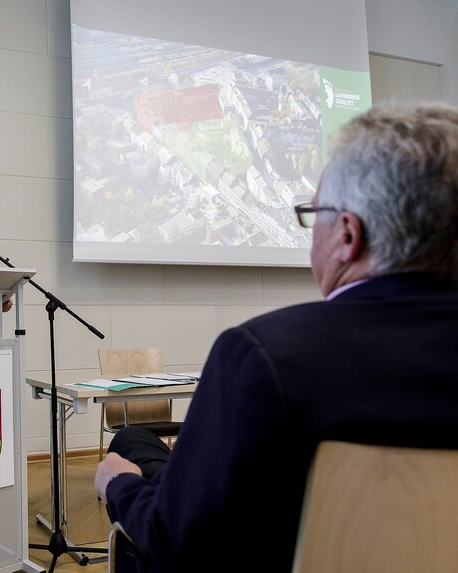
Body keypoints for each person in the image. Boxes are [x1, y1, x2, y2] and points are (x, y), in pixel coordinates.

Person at [94, 102, 458, 572]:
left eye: (315, 214)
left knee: (133, 455)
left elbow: (179, 543)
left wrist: (120, 487)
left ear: (348, 234)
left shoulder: (262, 356)